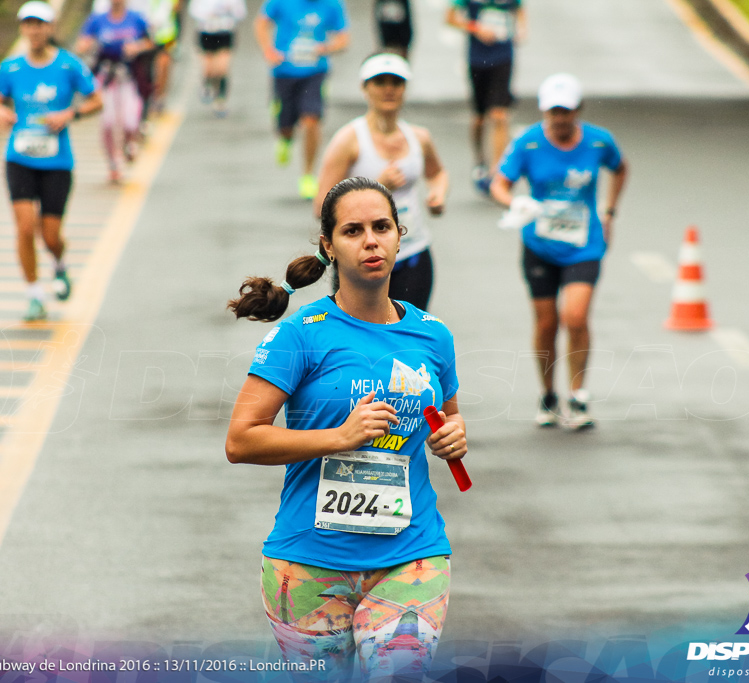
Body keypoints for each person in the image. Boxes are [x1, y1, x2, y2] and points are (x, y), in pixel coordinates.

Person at [225, 177, 466, 680]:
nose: (370, 241)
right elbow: (241, 438)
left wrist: (453, 436)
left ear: (401, 235)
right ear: (329, 247)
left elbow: (448, 416)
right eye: (353, 231)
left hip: (411, 555)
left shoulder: (432, 335)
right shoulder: (299, 334)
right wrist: (339, 436)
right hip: (309, 560)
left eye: (381, 227)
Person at [489, 73, 628, 430]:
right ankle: (548, 394)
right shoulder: (529, 143)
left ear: (578, 110)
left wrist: (610, 210)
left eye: (566, 111)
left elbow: (620, 168)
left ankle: (578, 396)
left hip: (584, 244)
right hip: (540, 245)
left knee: (576, 317)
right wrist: (515, 202)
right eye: (554, 111)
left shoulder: (599, 142)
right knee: (547, 322)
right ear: (543, 111)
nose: (560, 118)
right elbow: (499, 183)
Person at [0, 1, 102, 322]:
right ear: (22, 29)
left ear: (50, 28)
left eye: (40, 24)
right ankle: (34, 295)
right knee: (25, 227)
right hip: (19, 158)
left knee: (50, 236)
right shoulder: (10, 68)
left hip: (57, 162)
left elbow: (97, 100)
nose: (34, 30)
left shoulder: (69, 66)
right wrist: (0, 112)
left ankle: (59, 265)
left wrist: (70, 113)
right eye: (28, 24)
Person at [313, 53, 448, 311]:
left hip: (412, 254)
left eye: (396, 82)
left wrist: (437, 195)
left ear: (405, 88)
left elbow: (438, 173)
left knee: (410, 340)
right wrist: (378, 186)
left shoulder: (419, 137)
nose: (389, 89)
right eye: (379, 82)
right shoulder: (349, 141)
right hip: (359, 261)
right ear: (365, 88)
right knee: (360, 340)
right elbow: (321, 207)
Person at [254, 0, 350, 200]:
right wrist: (268, 50)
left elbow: (344, 39)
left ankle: (307, 175)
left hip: (314, 73)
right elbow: (262, 22)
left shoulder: (332, 4)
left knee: (311, 120)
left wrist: (325, 48)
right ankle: (285, 138)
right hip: (284, 71)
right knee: (286, 124)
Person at [445, 0, 524, 195]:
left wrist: (521, 29)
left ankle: (498, 173)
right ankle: (480, 159)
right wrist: (476, 28)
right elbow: (450, 18)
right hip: (478, 59)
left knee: (499, 114)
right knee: (479, 118)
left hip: (503, 56)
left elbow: (520, 10)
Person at [75, 0, 153, 183]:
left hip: (129, 76)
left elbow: (150, 42)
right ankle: (113, 164)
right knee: (108, 123)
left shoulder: (136, 19)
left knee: (130, 120)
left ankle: (129, 144)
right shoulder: (97, 20)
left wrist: (137, 47)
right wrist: (91, 45)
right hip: (106, 77)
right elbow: (81, 44)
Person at [189, 0, 247, 115]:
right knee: (209, 69)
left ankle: (220, 99)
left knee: (222, 68)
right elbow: (194, 11)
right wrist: (210, 13)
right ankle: (207, 83)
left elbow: (241, 12)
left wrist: (230, 10)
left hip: (225, 32)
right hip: (207, 31)